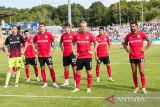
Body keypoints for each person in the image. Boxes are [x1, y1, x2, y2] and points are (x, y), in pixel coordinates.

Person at [122, 21, 152, 94]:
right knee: (134, 73)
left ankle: (144, 88)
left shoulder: (141, 34)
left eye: (133, 26)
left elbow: (149, 41)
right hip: (132, 57)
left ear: (137, 26)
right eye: (131, 26)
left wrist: (145, 49)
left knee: (141, 72)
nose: (132, 28)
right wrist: (127, 49)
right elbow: (124, 44)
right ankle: (137, 87)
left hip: (140, 56)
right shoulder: (128, 36)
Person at [72, 21, 98, 93]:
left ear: (86, 27)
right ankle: (77, 87)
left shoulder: (90, 35)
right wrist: (74, 50)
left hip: (88, 57)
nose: (83, 28)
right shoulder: (76, 35)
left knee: (89, 72)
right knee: (78, 72)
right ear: (80, 27)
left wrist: (93, 51)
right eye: (82, 26)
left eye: (84, 26)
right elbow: (72, 42)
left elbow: (96, 43)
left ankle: (89, 87)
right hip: (79, 57)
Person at [33, 23, 59, 88]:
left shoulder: (49, 34)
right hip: (40, 55)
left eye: (42, 26)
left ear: (44, 27)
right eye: (40, 26)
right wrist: (35, 50)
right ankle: (45, 83)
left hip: (48, 55)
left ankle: (54, 82)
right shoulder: (37, 35)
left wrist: (52, 50)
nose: (41, 27)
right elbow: (32, 43)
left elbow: (55, 41)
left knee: (51, 68)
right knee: (42, 68)